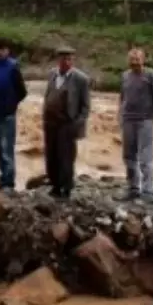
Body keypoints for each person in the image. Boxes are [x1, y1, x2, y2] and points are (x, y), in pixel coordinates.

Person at [42, 46, 90, 199]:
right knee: (51, 155)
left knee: (66, 157)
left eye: (69, 59)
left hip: (67, 123)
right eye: (63, 59)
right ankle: (55, 185)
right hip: (50, 122)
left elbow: (85, 106)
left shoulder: (81, 79)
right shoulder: (52, 74)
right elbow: (47, 95)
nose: (66, 62)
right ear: (58, 60)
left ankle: (66, 188)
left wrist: (77, 124)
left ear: (73, 60)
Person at [118, 47, 153, 201]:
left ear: (143, 60)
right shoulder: (125, 76)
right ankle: (133, 188)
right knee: (128, 156)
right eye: (132, 59)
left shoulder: (152, 75)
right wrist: (121, 115)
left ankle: (148, 190)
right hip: (128, 119)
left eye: (137, 59)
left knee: (146, 157)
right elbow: (122, 97)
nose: (134, 62)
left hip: (145, 120)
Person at [0, 38, 28, 190]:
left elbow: (22, 92)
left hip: (8, 114)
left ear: (8, 51)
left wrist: (11, 105)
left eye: (3, 50)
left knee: (7, 149)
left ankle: (9, 182)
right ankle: (3, 175)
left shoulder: (13, 67)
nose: (0, 52)